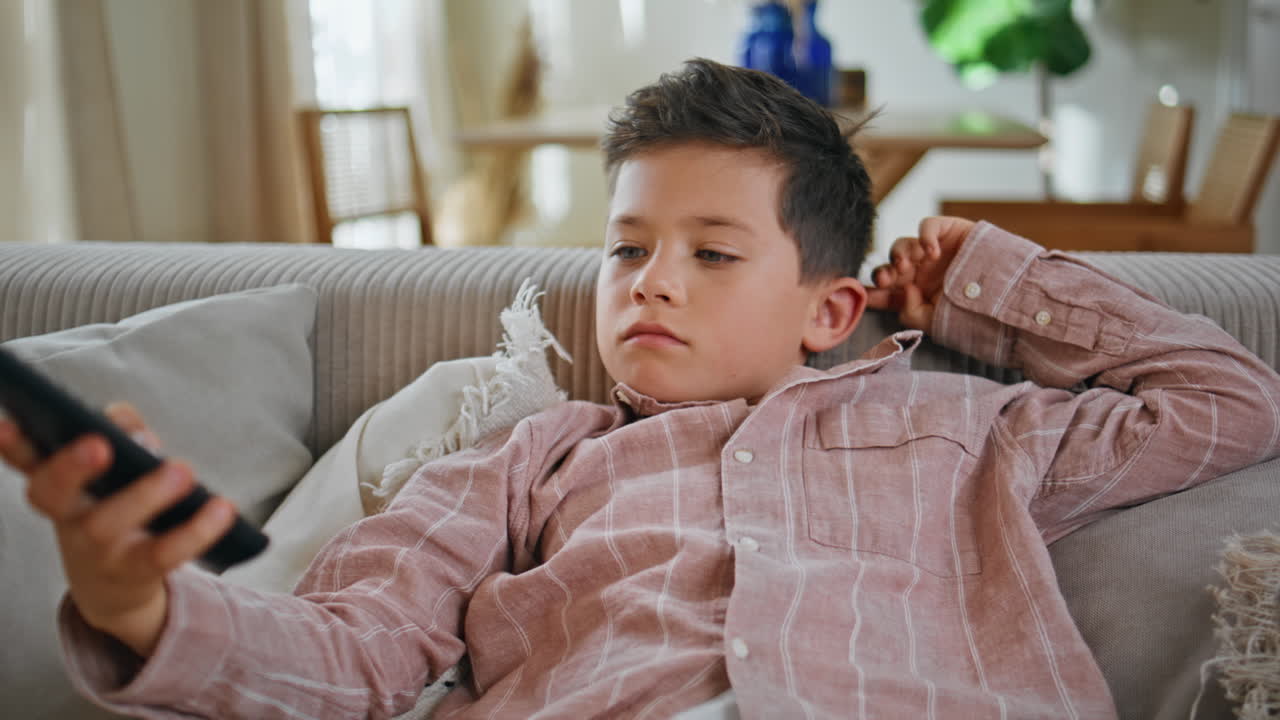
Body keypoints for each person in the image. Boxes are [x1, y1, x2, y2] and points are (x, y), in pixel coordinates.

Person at [2, 58, 1279, 719]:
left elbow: (1223, 403)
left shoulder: (963, 428)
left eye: (712, 255)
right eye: (625, 249)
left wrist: (981, 277)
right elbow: (356, 656)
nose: (648, 285)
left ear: (829, 310)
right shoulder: (528, 458)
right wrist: (143, 608)